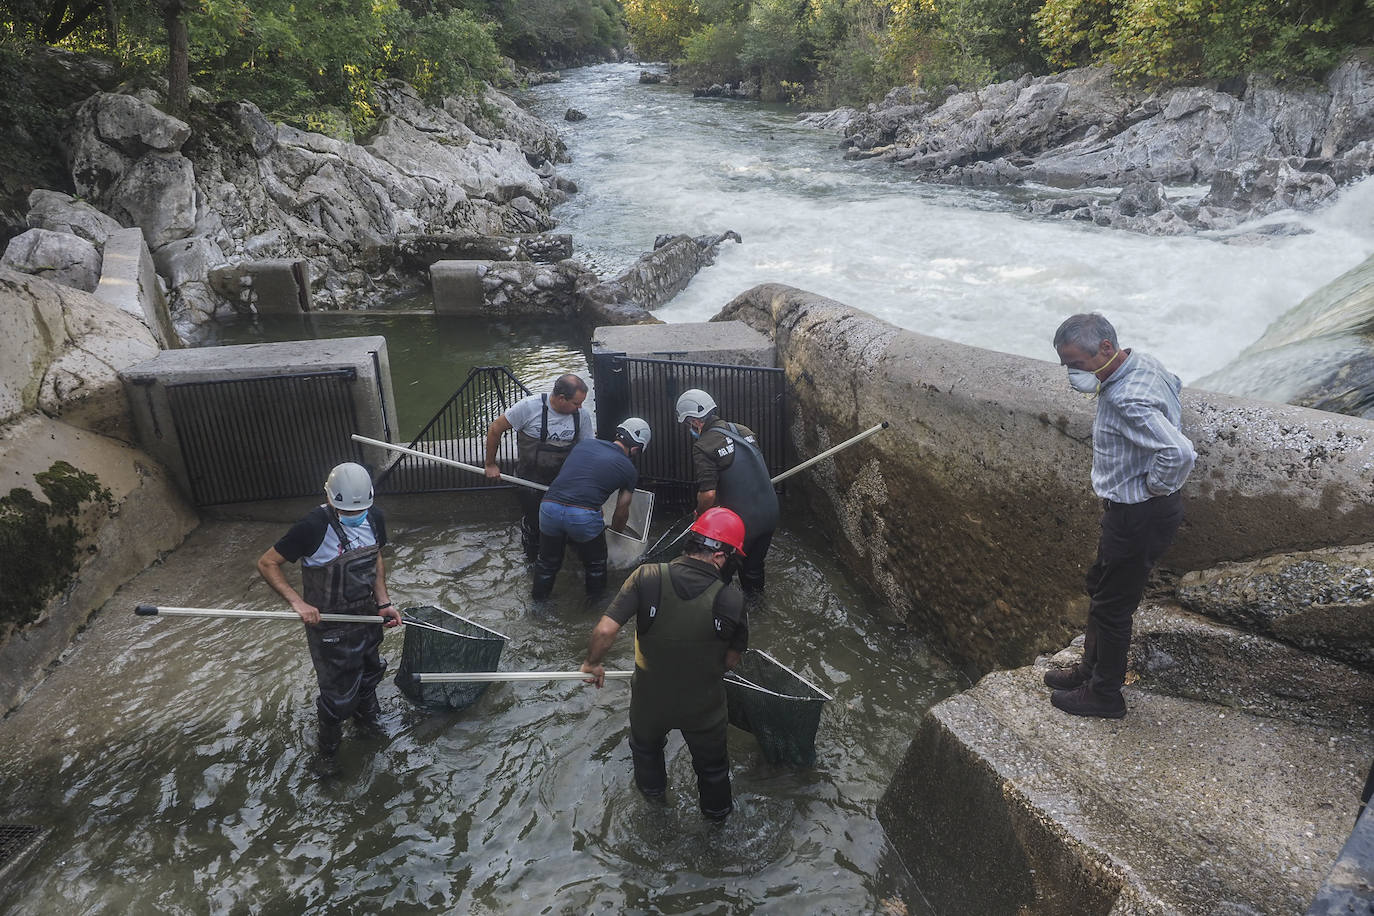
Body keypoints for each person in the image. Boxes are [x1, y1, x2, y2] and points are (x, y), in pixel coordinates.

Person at [1046, 313, 1196, 719]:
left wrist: (1152, 489)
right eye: (1066, 365)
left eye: (1076, 363)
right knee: (1101, 587)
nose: (1072, 374)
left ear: (1107, 349)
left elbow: (1179, 452)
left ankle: (1105, 695)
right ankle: (1087, 670)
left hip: (1138, 515)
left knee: (1113, 607)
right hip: (1131, 515)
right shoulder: (1142, 363)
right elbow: (1176, 386)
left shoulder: (1124, 396)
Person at [580, 507, 750, 819]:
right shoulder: (732, 600)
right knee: (713, 772)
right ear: (721, 557)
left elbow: (605, 630)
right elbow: (731, 660)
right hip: (704, 708)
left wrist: (592, 664)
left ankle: (656, 817)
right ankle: (716, 828)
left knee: (646, 756)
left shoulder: (647, 577)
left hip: (649, 702)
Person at [257, 462, 403, 775]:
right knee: (338, 695)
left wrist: (383, 602)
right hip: (330, 624)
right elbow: (268, 563)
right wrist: (298, 602)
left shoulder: (374, 517)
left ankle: (368, 725)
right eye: (348, 512)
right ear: (330, 499)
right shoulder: (311, 526)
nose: (355, 516)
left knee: (369, 672)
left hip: (366, 615)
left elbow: (375, 557)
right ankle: (327, 754)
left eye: (360, 510)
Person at [533, 418, 652, 599]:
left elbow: (573, 480)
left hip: (549, 506)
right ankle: (593, 609)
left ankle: (537, 606)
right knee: (596, 565)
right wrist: (614, 534)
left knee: (547, 563)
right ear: (636, 449)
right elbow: (621, 510)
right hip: (582, 516)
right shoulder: (629, 469)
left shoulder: (584, 445)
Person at [675, 388, 779, 593]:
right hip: (770, 512)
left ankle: (719, 613)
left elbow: (708, 494)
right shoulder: (744, 430)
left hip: (743, 523)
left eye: (688, 424)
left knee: (717, 576)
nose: (690, 429)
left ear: (695, 421)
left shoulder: (703, 446)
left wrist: (701, 515)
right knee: (753, 571)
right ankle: (756, 611)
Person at [484, 374, 594, 560]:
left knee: (567, 526)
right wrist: (490, 464)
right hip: (530, 481)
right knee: (535, 526)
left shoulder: (581, 416)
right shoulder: (529, 407)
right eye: (576, 403)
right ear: (561, 399)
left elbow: (588, 451)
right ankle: (532, 559)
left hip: (563, 484)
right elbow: (495, 428)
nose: (580, 407)